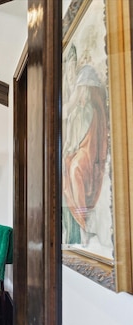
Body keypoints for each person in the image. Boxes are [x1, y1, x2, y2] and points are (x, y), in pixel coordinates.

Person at [62, 63, 109, 245]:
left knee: (75, 170)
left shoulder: (90, 110)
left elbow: (86, 135)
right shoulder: (79, 110)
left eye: (82, 89)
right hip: (80, 149)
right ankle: (79, 220)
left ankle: (83, 221)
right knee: (67, 167)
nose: (80, 93)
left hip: (89, 150)